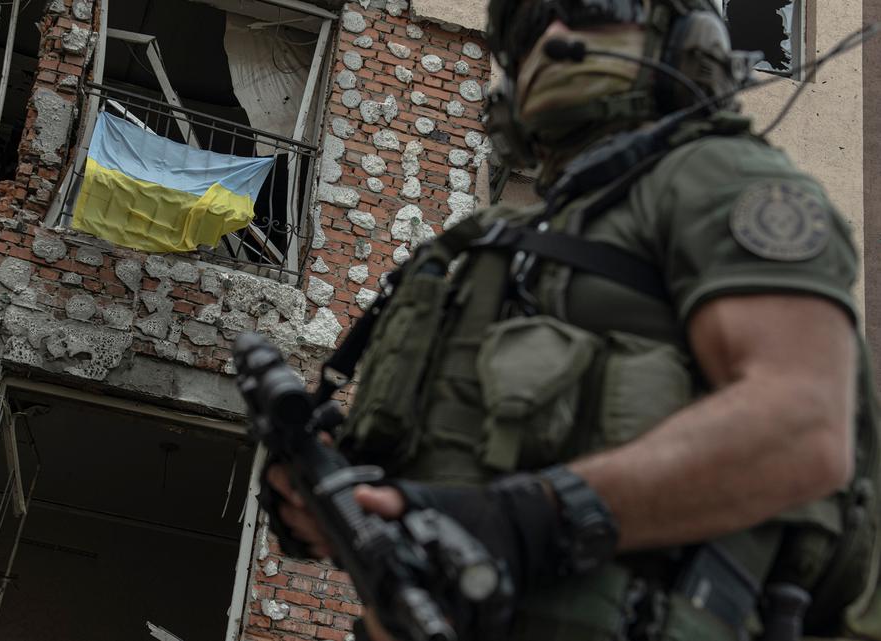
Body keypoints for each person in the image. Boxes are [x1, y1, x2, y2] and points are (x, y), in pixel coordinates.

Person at [264, 1, 881, 640]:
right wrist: (341, 501)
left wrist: (528, 519)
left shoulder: (716, 179)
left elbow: (801, 427)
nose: (555, 36)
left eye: (596, 8)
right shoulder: (495, 243)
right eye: (530, 30)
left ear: (686, 41)